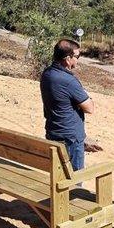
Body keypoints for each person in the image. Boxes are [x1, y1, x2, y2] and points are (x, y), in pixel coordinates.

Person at [40, 38, 94, 171]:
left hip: (53, 132)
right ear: (68, 59)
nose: (78, 60)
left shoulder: (46, 74)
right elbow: (89, 108)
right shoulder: (68, 81)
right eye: (77, 56)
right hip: (70, 138)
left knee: (58, 175)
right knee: (76, 177)